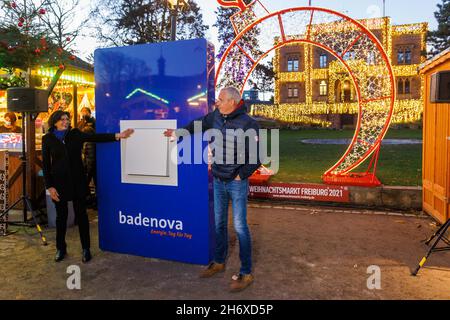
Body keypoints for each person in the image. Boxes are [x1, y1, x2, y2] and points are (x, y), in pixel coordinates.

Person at [164, 87, 261, 292]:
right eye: (218, 99)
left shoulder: (249, 124)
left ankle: (246, 272)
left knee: (240, 227)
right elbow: (197, 125)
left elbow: (256, 156)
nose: (217, 102)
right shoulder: (216, 116)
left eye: (221, 99)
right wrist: (177, 133)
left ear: (233, 102)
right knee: (219, 224)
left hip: (236, 183)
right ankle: (218, 262)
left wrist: (239, 175)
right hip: (218, 180)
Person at [42, 110, 134, 263]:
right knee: (61, 217)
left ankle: (86, 249)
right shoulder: (48, 139)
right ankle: (60, 248)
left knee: (82, 216)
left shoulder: (75, 134)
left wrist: (118, 136)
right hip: (59, 184)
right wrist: (50, 187)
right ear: (55, 122)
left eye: (67, 119)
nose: (66, 122)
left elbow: (95, 137)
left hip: (78, 182)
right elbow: (46, 165)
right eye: (62, 119)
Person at [77, 107, 97, 205]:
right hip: (86, 156)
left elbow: (90, 155)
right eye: (82, 112)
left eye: (85, 112)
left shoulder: (94, 122)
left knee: (90, 178)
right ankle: (89, 198)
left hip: (90, 157)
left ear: (89, 113)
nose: (83, 114)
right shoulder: (80, 123)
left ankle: (90, 199)